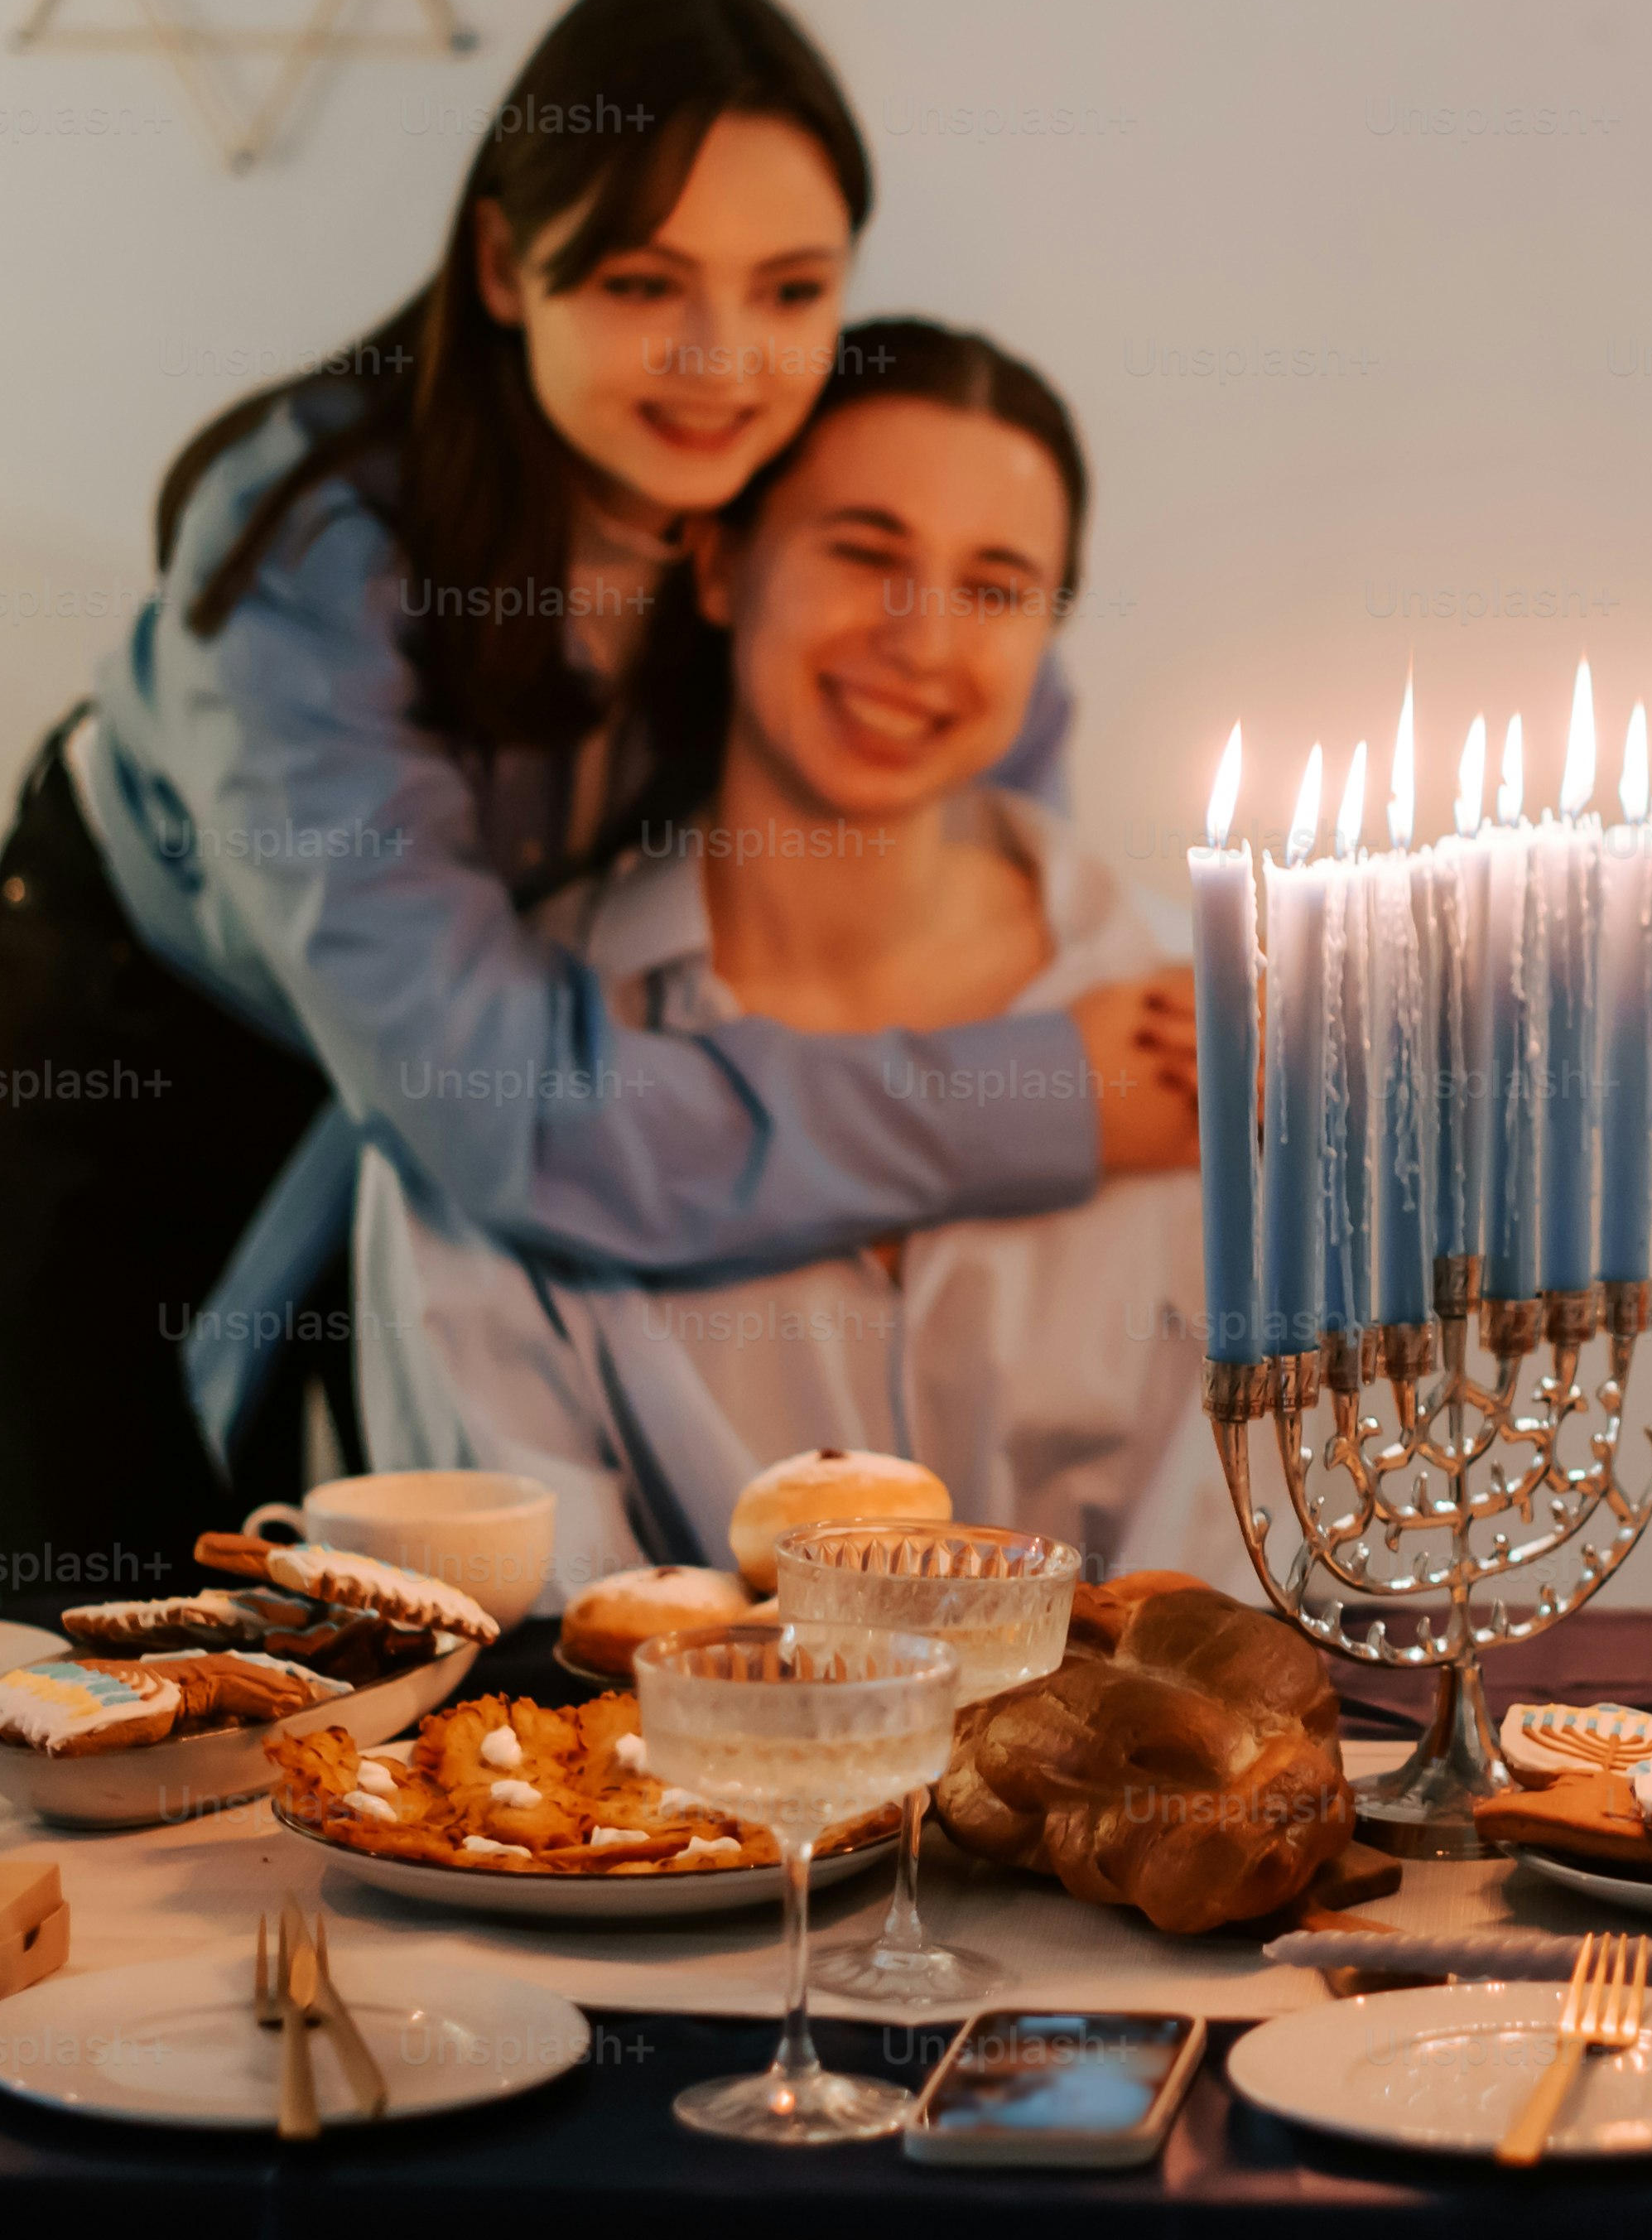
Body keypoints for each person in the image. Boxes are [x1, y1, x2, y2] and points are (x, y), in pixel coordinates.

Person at [0, 0, 1196, 1621]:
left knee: (395, 1624)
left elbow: (954, 745)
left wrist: (1046, 977)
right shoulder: (301, 569)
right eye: (637, 279)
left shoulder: (768, 476)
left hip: (521, 1034)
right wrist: (1029, 1096)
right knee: (147, 1617)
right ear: (500, 270)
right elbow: (509, 1109)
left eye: (789, 288)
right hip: (151, 1039)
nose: (720, 361)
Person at [352, 322, 1235, 1592]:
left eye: (994, 589)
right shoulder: (503, 1052)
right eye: (866, 553)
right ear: (718, 566)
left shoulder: (1210, 1030)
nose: (923, 643)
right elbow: (513, 1593)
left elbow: (1229, 1587)